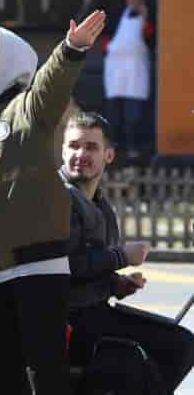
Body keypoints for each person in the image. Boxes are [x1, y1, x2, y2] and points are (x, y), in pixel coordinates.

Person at [0, 10, 105, 394]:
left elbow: (52, 83)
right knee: (5, 380)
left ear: (7, 57)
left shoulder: (29, 108)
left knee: (46, 377)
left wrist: (71, 49)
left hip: (38, 269)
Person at [61, 111, 194, 395]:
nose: (80, 154)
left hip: (97, 312)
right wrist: (122, 257)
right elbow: (62, 267)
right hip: (69, 320)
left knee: (181, 345)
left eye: (91, 147)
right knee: (142, 361)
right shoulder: (59, 199)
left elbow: (90, 270)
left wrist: (117, 284)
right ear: (62, 151)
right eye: (73, 146)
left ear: (108, 155)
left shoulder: (101, 205)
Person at [102, 0, 155, 160]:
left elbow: (151, 39)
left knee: (134, 113)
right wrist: (108, 48)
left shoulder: (150, 15)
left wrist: (145, 19)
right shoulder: (118, 14)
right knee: (113, 113)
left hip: (135, 71)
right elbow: (107, 35)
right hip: (116, 70)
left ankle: (134, 148)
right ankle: (115, 147)